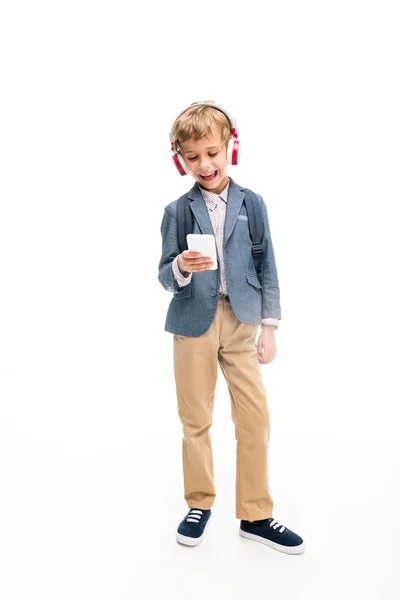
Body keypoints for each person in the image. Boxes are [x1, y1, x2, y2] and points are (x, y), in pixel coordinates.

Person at [158, 101, 305, 554]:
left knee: (254, 419)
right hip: (192, 322)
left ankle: (256, 514)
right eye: (193, 156)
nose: (204, 164)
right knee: (196, 419)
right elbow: (164, 272)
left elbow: (267, 265)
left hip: (242, 322)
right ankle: (199, 502)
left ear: (230, 148)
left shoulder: (252, 204)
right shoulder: (177, 210)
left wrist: (270, 327)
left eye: (212, 152)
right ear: (178, 157)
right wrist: (181, 265)